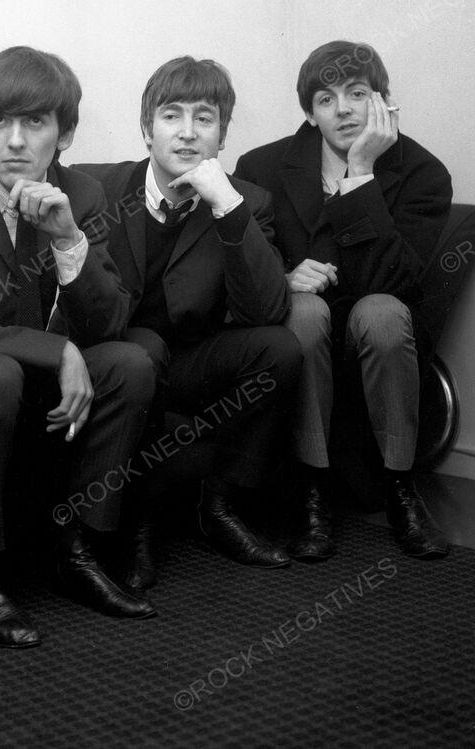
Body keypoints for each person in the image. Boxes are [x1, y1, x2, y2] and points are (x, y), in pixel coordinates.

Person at [0, 45, 157, 652]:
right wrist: (57, 352)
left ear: (64, 133)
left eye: (35, 123)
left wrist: (69, 240)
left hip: (41, 371)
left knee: (129, 364)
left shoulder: (86, 196)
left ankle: (76, 548)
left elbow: (111, 321)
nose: (15, 141)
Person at [74, 56, 303, 584]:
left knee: (278, 347)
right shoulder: (97, 190)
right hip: (121, 355)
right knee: (145, 346)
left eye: (204, 118)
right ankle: (136, 523)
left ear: (222, 134)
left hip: (192, 361)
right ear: (146, 129)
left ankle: (219, 506)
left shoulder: (248, 201)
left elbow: (267, 311)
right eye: (171, 116)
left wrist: (226, 203)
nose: (186, 133)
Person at [234, 40, 452, 561]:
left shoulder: (424, 173)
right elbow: (246, 267)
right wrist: (284, 277)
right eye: (327, 99)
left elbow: (394, 281)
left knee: (379, 310)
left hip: (381, 322)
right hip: (303, 326)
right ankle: (313, 492)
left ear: (382, 101)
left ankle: (400, 488)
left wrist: (360, 177)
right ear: (310, 112)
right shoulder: (260, 167)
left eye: (358, 93)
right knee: (306, 310)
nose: (345, 109)